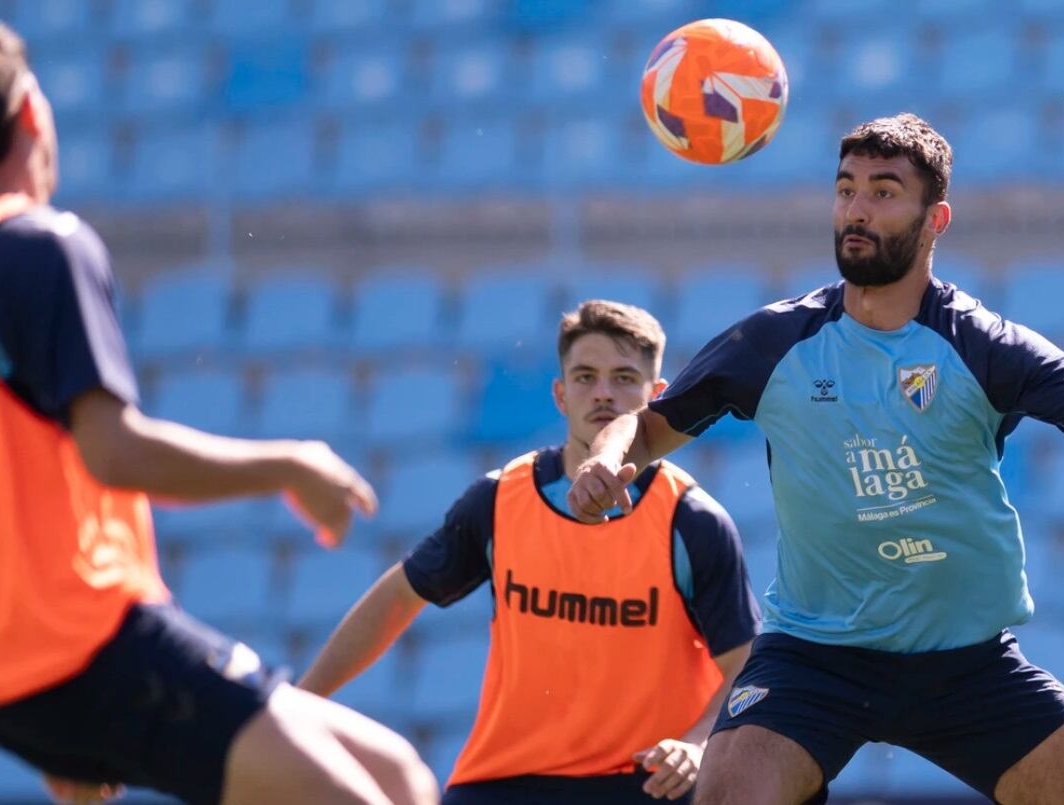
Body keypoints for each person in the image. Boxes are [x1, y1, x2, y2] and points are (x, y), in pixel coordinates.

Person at [0, 17, 437, 805]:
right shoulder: (41, 244)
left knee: (400, 778)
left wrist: (44, 712)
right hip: (86, 645)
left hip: (10, 683)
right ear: (33, 112)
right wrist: (289, 462)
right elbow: (114, 451)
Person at [567, 113, 1064, 805]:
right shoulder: (775, 339)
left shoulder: (982, 343)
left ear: (935, 218)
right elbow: (644, 427)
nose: (856, 210)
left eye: (883, 192)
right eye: (845, 189)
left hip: (965, 663)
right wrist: (603, 457)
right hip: (814, 657)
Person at [299, 300, 760, 804]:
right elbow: (396, 599)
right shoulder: (499, 501)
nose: (603, 393)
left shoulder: (691, 521)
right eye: (585, 377)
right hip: (506, 781)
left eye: (625, 378)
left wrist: (696, 745)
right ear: (560, 395)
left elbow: (746, 666)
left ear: (657, 396)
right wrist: (297, 704)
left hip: (644, 781)